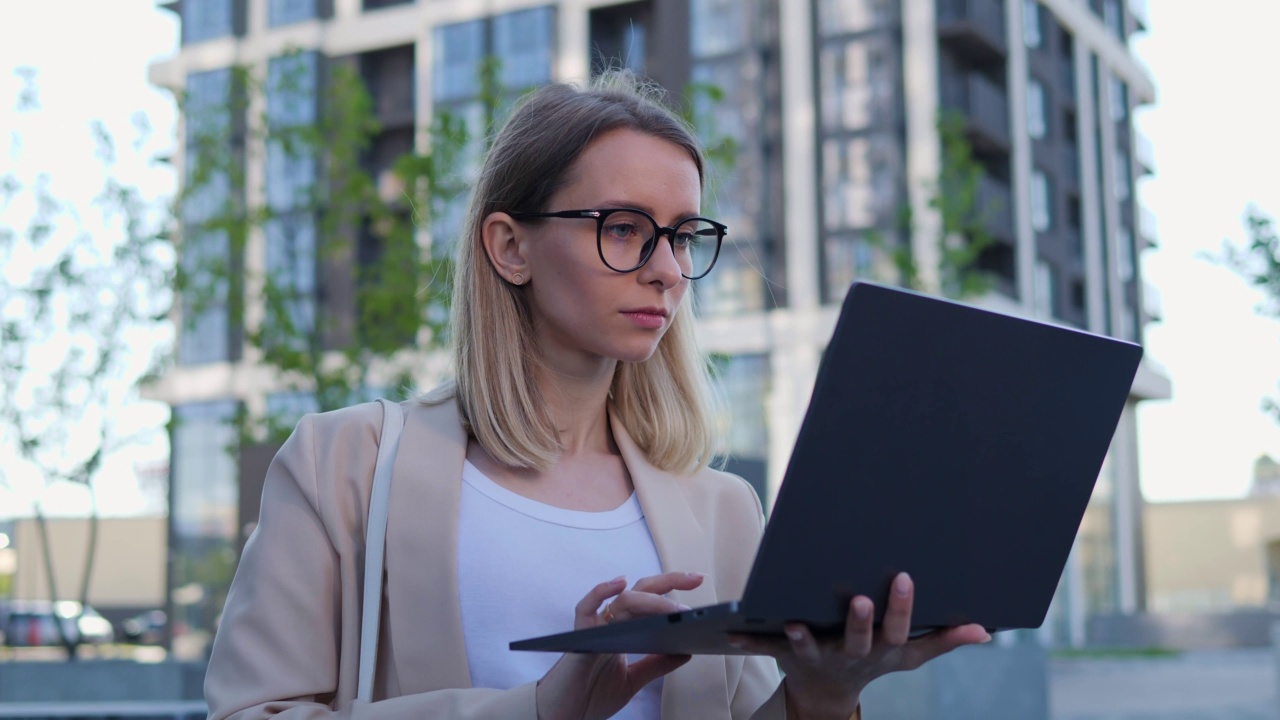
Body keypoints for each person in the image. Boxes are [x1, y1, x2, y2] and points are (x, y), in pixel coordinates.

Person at [203, 71, 991, 720]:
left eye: (683, 235)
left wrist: (821, 696)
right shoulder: (344, 465)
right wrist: (547, 708)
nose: (669, 269)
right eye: (623, 227)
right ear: (509, 246)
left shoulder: (721, 510)